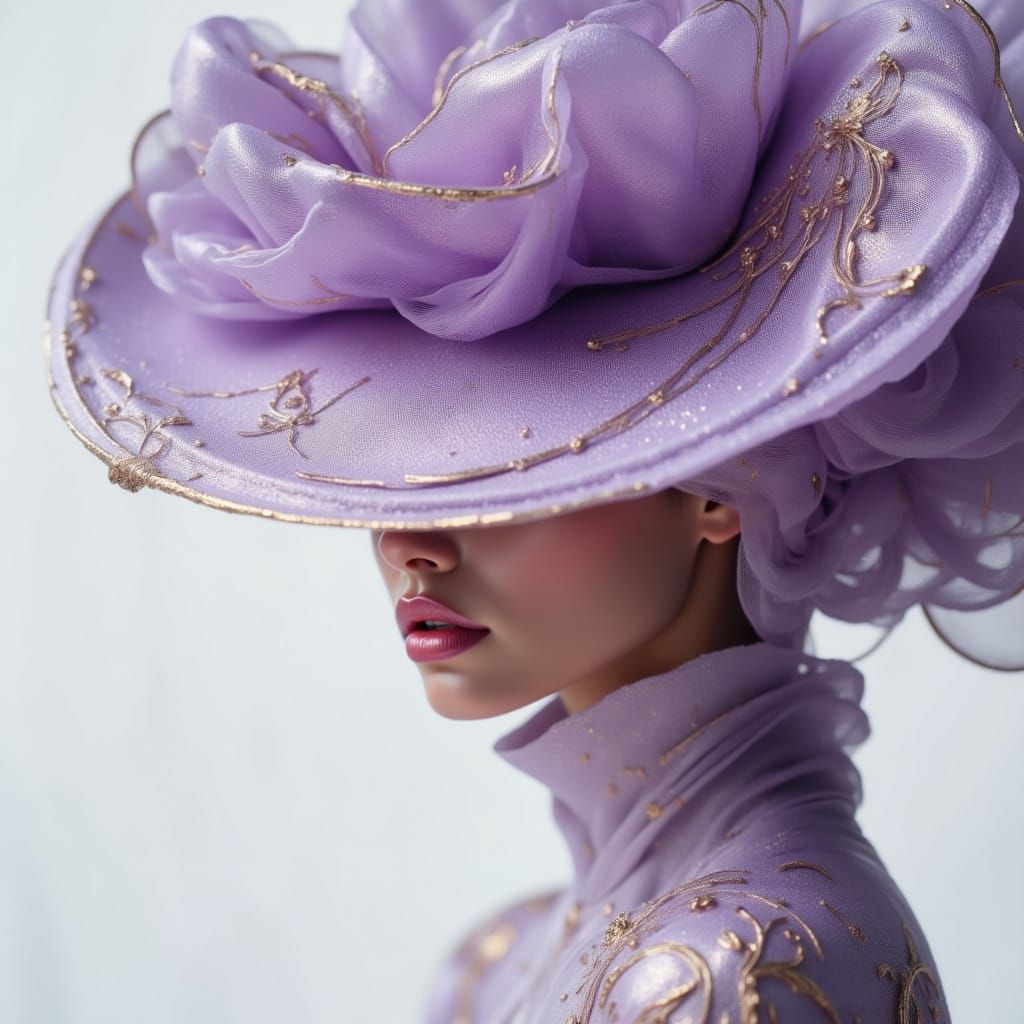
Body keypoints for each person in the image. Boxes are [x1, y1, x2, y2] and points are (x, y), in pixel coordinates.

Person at [44, 0, 1024, 1019]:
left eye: (506, 470)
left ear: (719, 476)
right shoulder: (498, 964)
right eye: (396, 469)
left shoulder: (729, 973)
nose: (407, 545)